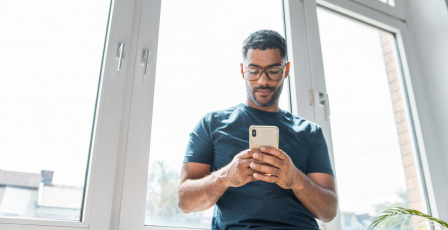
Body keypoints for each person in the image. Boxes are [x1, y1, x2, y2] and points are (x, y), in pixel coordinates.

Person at [177, 30, 338, 229]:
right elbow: (184, 202)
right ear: (242, 70)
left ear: (286, 70)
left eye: (273, 70)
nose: (263, 81)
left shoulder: (310, 132)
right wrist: (225, 177)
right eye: (254, 71)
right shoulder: (211, 124)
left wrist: (295, 179)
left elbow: (329, 211)